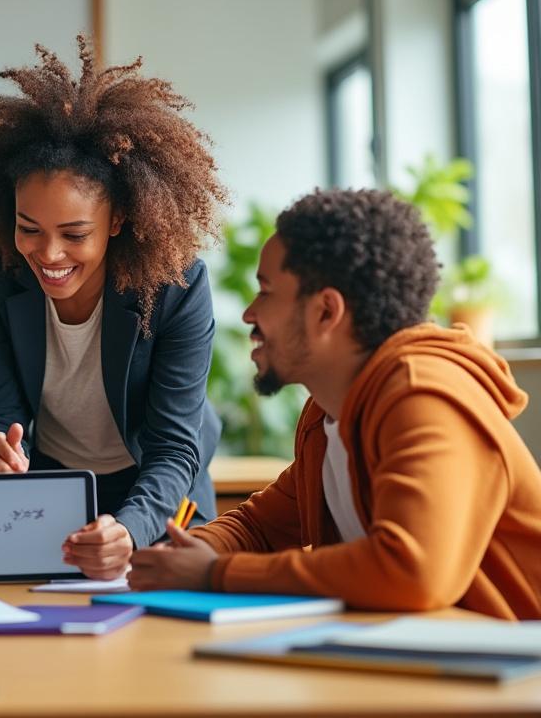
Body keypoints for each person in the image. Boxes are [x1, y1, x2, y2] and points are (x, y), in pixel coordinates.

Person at [128, 188, 541, 620]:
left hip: (512, 674)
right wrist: (185, 554)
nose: (249, 314)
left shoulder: (423, 395)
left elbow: (412, 571)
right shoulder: (330, 415)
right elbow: (259, 526)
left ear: (326, 312)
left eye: (266, 292)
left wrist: (217, 571)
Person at [0, 36, 227, 579]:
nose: (47, 254)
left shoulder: (175, 284)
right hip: (55, 486)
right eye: (29, 228)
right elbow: (0, 407)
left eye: (74, 234)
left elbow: (174, 449)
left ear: (118, 220)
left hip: (160, 493)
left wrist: (129, 529)